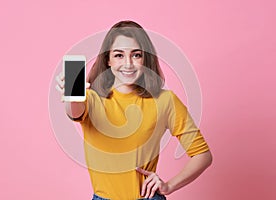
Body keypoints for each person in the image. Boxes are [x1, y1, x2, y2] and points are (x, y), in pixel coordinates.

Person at [55, 20, 212, 200]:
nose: (128, 63)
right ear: (108, 60)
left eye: (136, 55)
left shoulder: (164, 100)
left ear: (145, 58)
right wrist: (72, 95)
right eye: (119, 55)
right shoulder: (91, 98)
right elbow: (74, 111)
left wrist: (169, 186)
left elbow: (203, 155)